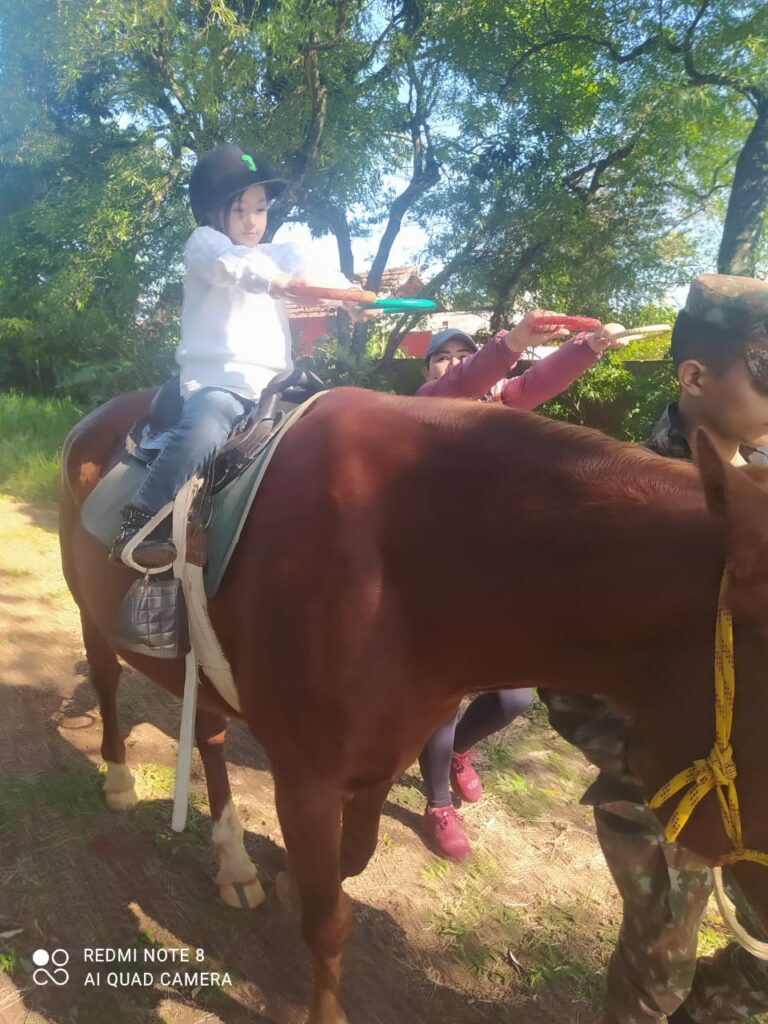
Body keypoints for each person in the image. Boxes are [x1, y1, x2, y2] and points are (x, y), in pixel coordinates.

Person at [541, 273, 768, 1024]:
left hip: (755, 793)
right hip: (662, 798)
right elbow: (566, 680)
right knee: (655, 975)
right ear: (696, 376)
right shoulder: (629, 504)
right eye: (765, 366)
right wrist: (658, 770)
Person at [415, 313, 629, 860]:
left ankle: (461, 750)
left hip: (494, 574)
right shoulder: (429, 403)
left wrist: (589, 345)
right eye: (443, 356)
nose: (454, 364)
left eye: (461, 356)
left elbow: (537, 382)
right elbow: (458, 384)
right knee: (442, 695)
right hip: (434, 572)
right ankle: (437, 803)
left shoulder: (500, 405)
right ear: (429, 369)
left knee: (513, 696)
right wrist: (508, 343)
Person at [111, 143, 363, 568]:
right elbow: (234, 267)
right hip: (219, 381)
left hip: (277, 382)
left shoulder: (278, 251)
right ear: (213, 213)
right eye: (240, 210)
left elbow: (310, 269)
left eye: (260, 209)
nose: (252, 221)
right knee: (205, 428)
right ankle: (139, 519)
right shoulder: (204, 245)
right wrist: (277, 282)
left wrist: (349, 295)